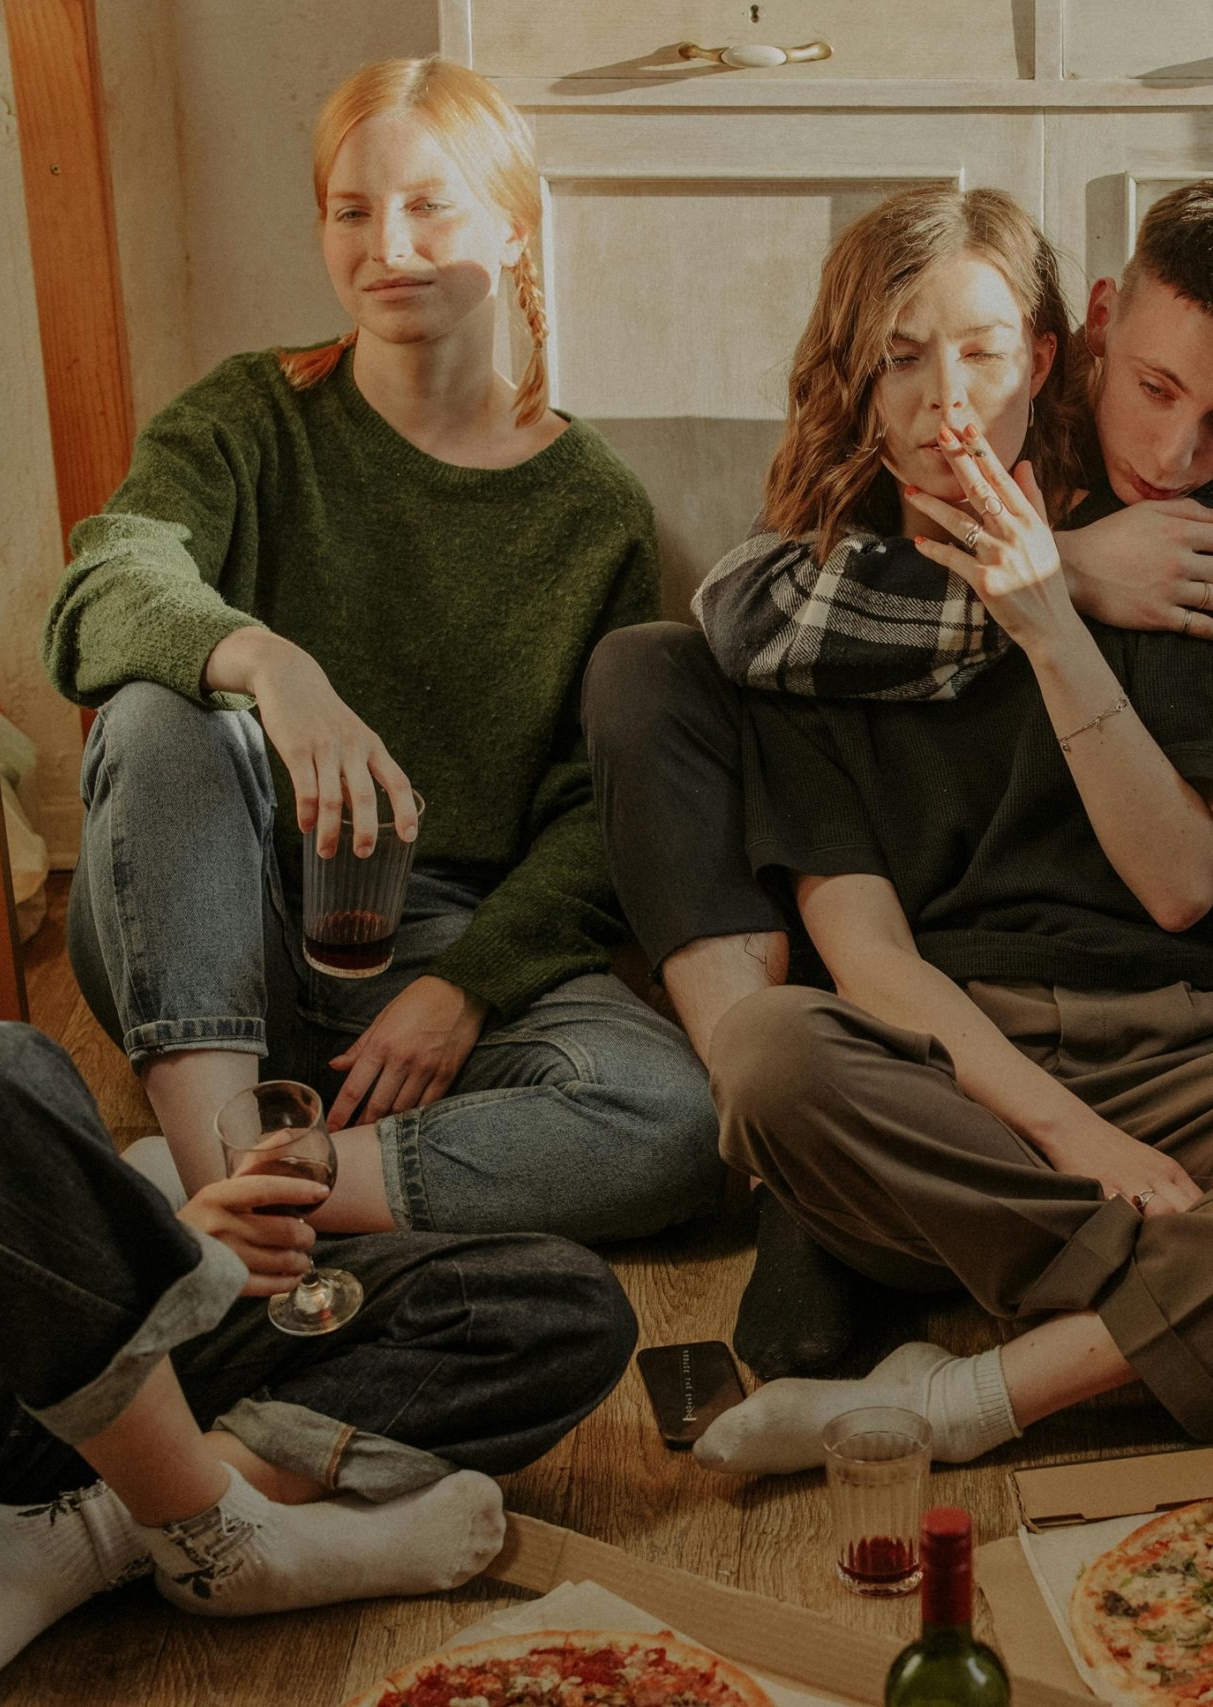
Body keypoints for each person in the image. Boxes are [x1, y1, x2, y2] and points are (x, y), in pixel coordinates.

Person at [0, 217, 635, 1707]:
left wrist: (140, 1233)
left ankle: (62, 1541)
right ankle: (218, 1534)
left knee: (554, 1309)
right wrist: (144, 1241)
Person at [666, 185, 1213, 1476]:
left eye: (986, 353)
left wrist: (1058, 617)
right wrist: (1078, 1135)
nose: (1172, 450)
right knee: (773, 1051)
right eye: (904, 357)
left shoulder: (1207, 550)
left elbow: (1181, 886)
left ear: (1046, 349)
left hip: (1195, 1051)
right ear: (1104, 331)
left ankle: (976, 1393)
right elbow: (871, 958)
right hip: (969, 1076)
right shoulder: (827, 608)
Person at [45, 56, 721, 1244]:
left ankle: (228, 1190)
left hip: (436, 940)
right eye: (351, 212)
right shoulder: (248, 417)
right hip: (217, 908)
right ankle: (234, 1171)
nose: (387, 246)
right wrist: (269, 665)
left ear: (514, 231)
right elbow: (103, 586)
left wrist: (465, 990)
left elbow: (592, 816)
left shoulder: (591, 505)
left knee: (667, 1121)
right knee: (158, 714)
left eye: (430, 206)